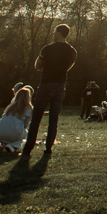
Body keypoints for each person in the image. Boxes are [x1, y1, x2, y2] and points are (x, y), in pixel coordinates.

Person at [22, 26, 77, 159]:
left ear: (58, 34)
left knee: (36, 119)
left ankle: (28, 150)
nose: (53, 34)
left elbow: (37, 65)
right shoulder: (72, 51)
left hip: (46, 84)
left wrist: (45, 67)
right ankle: (48, 149)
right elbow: (68, 68)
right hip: (60, 85)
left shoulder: (47, 49)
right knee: (54, 119)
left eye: (54, 32)